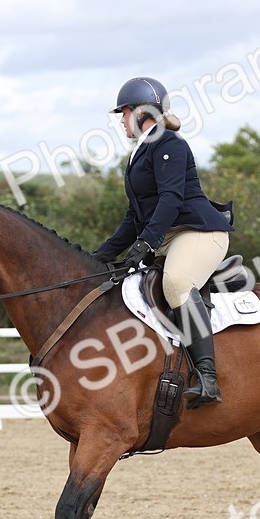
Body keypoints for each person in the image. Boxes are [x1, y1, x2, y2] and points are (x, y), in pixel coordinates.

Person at [94, 76, 233, 409]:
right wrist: (103, 254)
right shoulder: (140, 151)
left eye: (123, 113)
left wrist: (144, 245)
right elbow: (135, 214)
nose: (121, 122)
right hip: (168, 236)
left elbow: (170, 200)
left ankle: (207, 377)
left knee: (177, 283)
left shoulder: (168, 143)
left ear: (141, 113)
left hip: (198, 232)